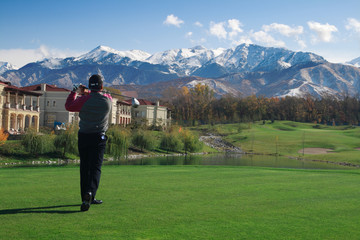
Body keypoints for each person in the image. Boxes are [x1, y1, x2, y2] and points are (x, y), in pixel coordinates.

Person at [65, 74, 112, 211]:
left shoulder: (84, 100)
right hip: (99, 137)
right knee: (96, 167)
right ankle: (90, 193)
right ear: (102, 86)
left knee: (85, 167)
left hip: (84, 136)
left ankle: (86, 196)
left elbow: (69, 106)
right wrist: (88, 92)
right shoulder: (107, 100)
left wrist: (74, 91)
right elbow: (103, 95)